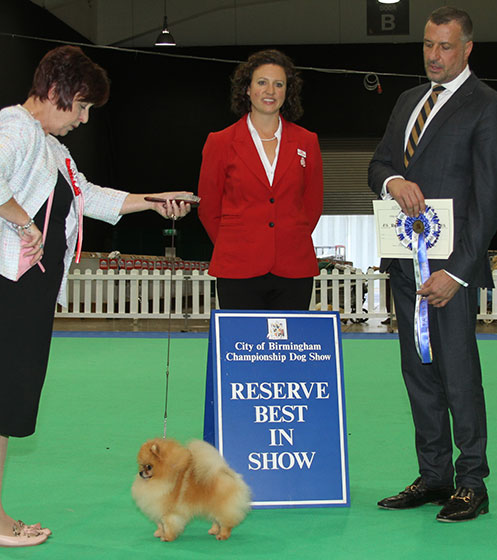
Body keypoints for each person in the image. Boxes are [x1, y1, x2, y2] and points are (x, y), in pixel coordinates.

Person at [0, 45, 193, 547]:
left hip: (28, 292)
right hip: (9, 288)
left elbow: (93, 198)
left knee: (5, 408)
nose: (84, 119)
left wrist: (154, 202)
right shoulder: (16, 126)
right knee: (1, 409)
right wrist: (22, 221)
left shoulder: (53, 149)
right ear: (56, 91)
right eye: (82, 106)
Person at [368, 6, 497, 523]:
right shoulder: (406, 101)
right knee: (418, 372)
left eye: (445, 47)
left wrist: (459, 271)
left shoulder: (487, 105)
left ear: (468, 49)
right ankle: (434, 476)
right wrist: (392, 182)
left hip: (452, 272)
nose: (434, 56)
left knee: (459, 373)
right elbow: (379, 163)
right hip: (406, 266)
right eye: (427, 45)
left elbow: (489, 200)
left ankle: (472, 482)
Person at [198, 49, 323, 310]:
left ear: (287, 92)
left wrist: (287, 238)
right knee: (242, 348)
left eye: (279, 84)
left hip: (294, 266)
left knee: (289, 349)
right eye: (262, 82)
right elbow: (209, 208)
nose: (270, 91)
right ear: (247, 89)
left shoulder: (307, 141)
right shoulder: (219, 142)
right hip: (237, 266)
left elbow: (312, 204)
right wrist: (237, 243)